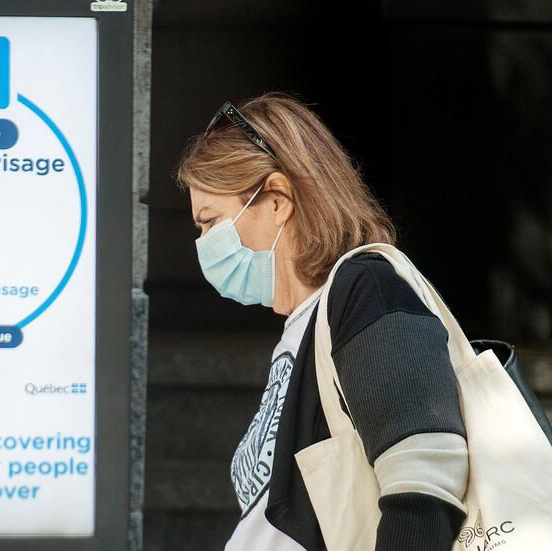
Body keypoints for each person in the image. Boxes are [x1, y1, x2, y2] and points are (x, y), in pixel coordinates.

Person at [173, 92, 469, 550]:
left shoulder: (365, 288)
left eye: (210, 222)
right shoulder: (306, 324)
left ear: (276, 199)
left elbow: (424, 472)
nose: (204, 243)